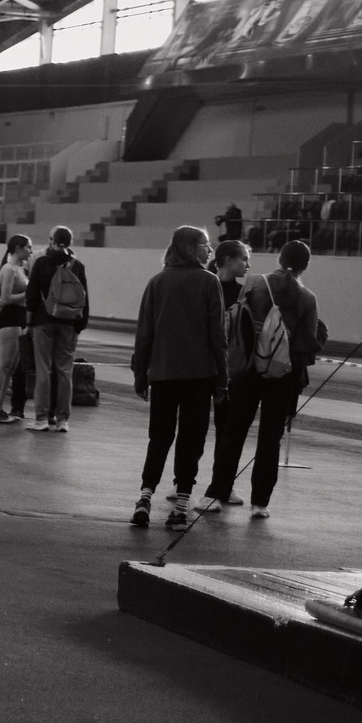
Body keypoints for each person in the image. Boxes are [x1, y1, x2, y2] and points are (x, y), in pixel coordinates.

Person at [201, 239, 322, 521]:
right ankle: (260, 503)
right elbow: (308, 344)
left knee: (233, 432)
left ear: (279, 258)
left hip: (247, 370)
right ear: (306, 265)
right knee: (270, 438)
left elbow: (235, 323)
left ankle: (215, 494)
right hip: (283, 375)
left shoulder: (254, 284)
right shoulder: (308, 298)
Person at [129, 226, 227, 533]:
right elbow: (217, 336)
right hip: (199, 375)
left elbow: (144, 333)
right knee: (191, 439)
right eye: (205, 245)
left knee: (159, 436)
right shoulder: (209, 283)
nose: (209, 251)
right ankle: (181, 506)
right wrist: (222, 379)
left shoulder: (157, 282)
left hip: (163, 373)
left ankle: (145, 497)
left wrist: (139, 373)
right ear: (189, 248)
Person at [24, 225, 89, 433]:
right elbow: (84, 299)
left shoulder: (42, 263)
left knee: (44, 370)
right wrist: (79, 326)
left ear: (51, 241)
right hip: (69, 323)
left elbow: (32, 297)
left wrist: (29, 322)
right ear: (70, 243)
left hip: (44, 321)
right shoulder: (77, 266)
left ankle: (41, 418)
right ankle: (62, 420)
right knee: (64, 371)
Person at [0, 234, 32, 424]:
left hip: (18, 318)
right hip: (10, 318)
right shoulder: (9, 269)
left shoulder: (20, 269)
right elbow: (4, 300)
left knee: (10, 368)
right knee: (3, 365)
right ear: (18, 248)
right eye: (28, 247)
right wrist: (26, 293)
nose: (30, 251)